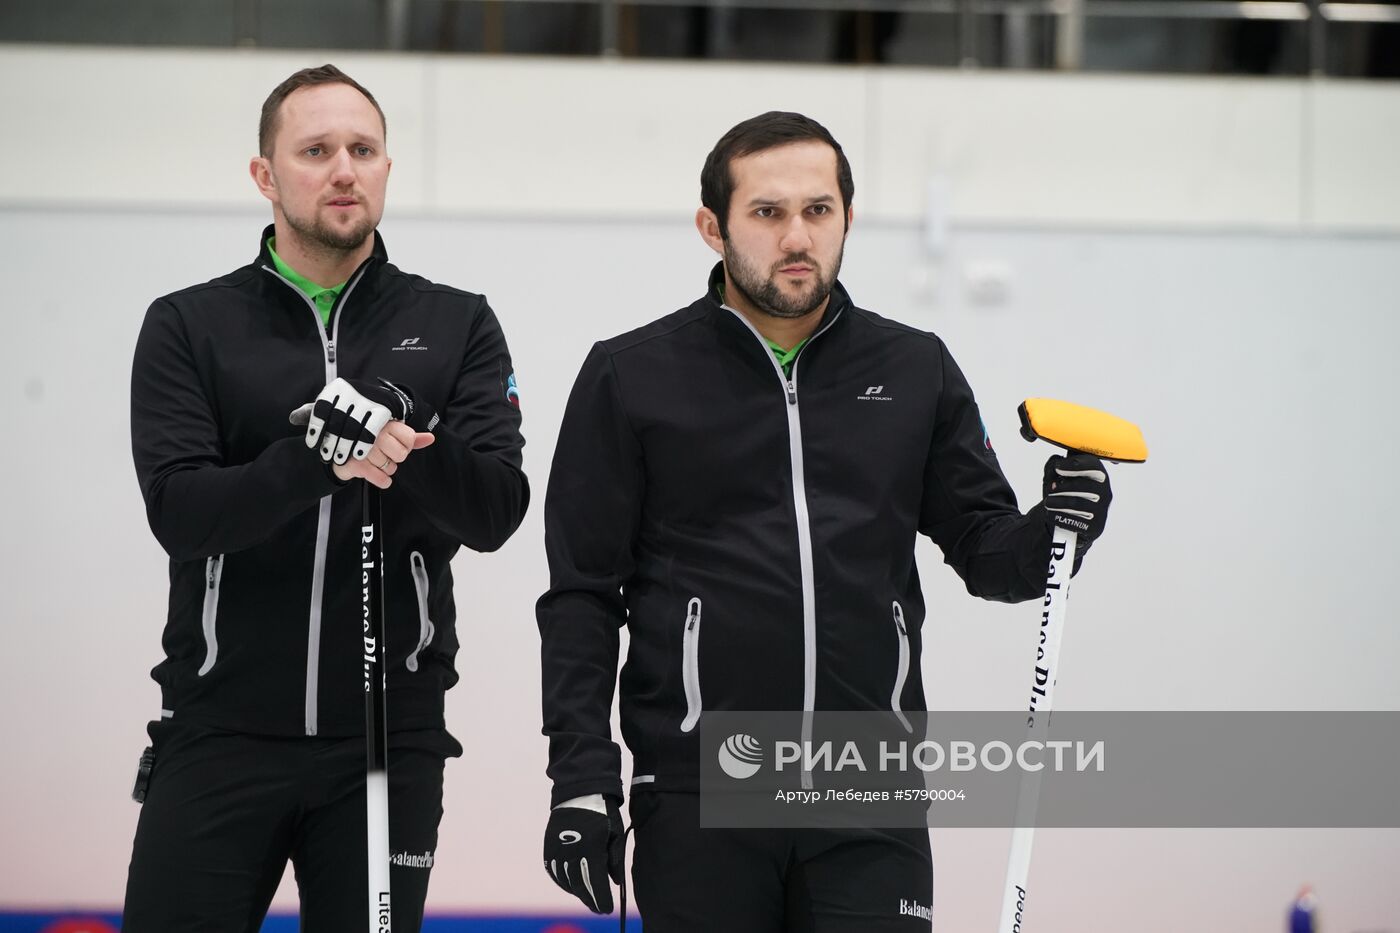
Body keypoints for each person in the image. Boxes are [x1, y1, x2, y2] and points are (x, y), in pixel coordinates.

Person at [536, 111, 1112, 930]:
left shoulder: (915, 368)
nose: (797, 235)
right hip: (702, 791)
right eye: (767, 213)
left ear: (849, 217)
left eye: (819, 209)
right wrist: (582, 777)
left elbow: (991, 554)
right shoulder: (632, 375)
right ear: (713, 226)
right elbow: (582, 599)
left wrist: (1061, 526)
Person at [123, 64, 528, 932]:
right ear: (266, 177)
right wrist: (318, 454)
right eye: (316, 150)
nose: (344, 169)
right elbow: (181, 512)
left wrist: (403, 442)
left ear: (386, 167)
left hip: (387, 747)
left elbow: (496, 508)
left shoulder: (456, 321)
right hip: (218, 731)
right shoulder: (189, 324)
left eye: (363, 149)